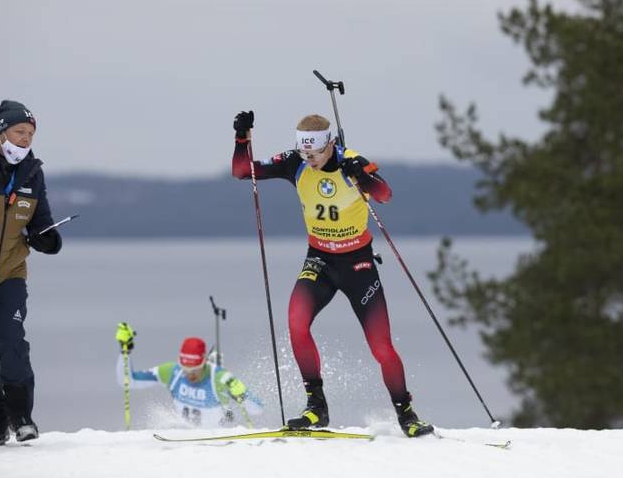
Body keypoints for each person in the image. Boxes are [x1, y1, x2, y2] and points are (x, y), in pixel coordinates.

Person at [230, 110, 434, 437]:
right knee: (296, 323)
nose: (309, 160)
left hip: (358, 264)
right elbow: (242, 172)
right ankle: (316, 408)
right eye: (304, 153)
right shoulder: (294, 162)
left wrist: (362, 176)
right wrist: (242, 139)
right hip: (320, 260)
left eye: (315, 153)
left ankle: (406, 414)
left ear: (330, 145)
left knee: (381, 346)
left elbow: (384, 194)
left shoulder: (352, 161)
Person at [0, 100, 62, 447]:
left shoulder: (33, 172)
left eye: (30, 134)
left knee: (11, 340)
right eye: (20, 132)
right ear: (1, 131)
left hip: (10, 275)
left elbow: (41, 222)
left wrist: (47, 239)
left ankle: (22, 418)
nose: (25, 140)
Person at [114, 323, 263, 428]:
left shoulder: (220, 378)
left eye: (195, 369)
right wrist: (124, 352)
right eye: (186, 368)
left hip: (217, 443)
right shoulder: (173, 372)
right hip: (185, 443)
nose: (190, 374)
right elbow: (128, 381)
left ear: (204, 362)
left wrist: (242, 395)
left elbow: (257, 410)